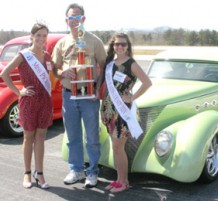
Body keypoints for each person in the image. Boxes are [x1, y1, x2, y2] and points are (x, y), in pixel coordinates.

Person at [51, 3, 106, 188]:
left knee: (92, 137)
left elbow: (103, 66)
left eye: (77, 17)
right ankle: (76, 170)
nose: (74, 21)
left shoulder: (94, 41)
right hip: (69, 95)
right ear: (66, 21)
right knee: (73, 136)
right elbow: (55, 68)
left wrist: (97, 88)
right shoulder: (62, 43)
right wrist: (62, 73)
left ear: (83, 19)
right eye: (71, 18)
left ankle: (92, 171)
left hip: (89, 96)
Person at [0, 23, 52, 189]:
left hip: (44, 101)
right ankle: (27, 173)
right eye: (38, 35)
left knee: (41, 137)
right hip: (29, 101)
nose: (41, 39)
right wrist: (18, 91)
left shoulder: (47, 56)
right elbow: (4, 74)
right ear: (32, 36)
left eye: (44, 36)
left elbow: (54, 73)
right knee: (28, 137)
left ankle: (40, 173)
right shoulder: (23, 55)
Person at [101, 33, 152, 193]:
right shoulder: (111, 63)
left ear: (128, 46)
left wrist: (132, 97)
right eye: (116, 44)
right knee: (115, 147)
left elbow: (147, 82)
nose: (120, 47)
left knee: (118, 147)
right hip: (109, 110)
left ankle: (124, 182)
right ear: (113, 46)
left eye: (123, 44)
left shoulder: (131, 64)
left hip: (122, 112)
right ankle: (118, 180)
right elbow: (106, 86)